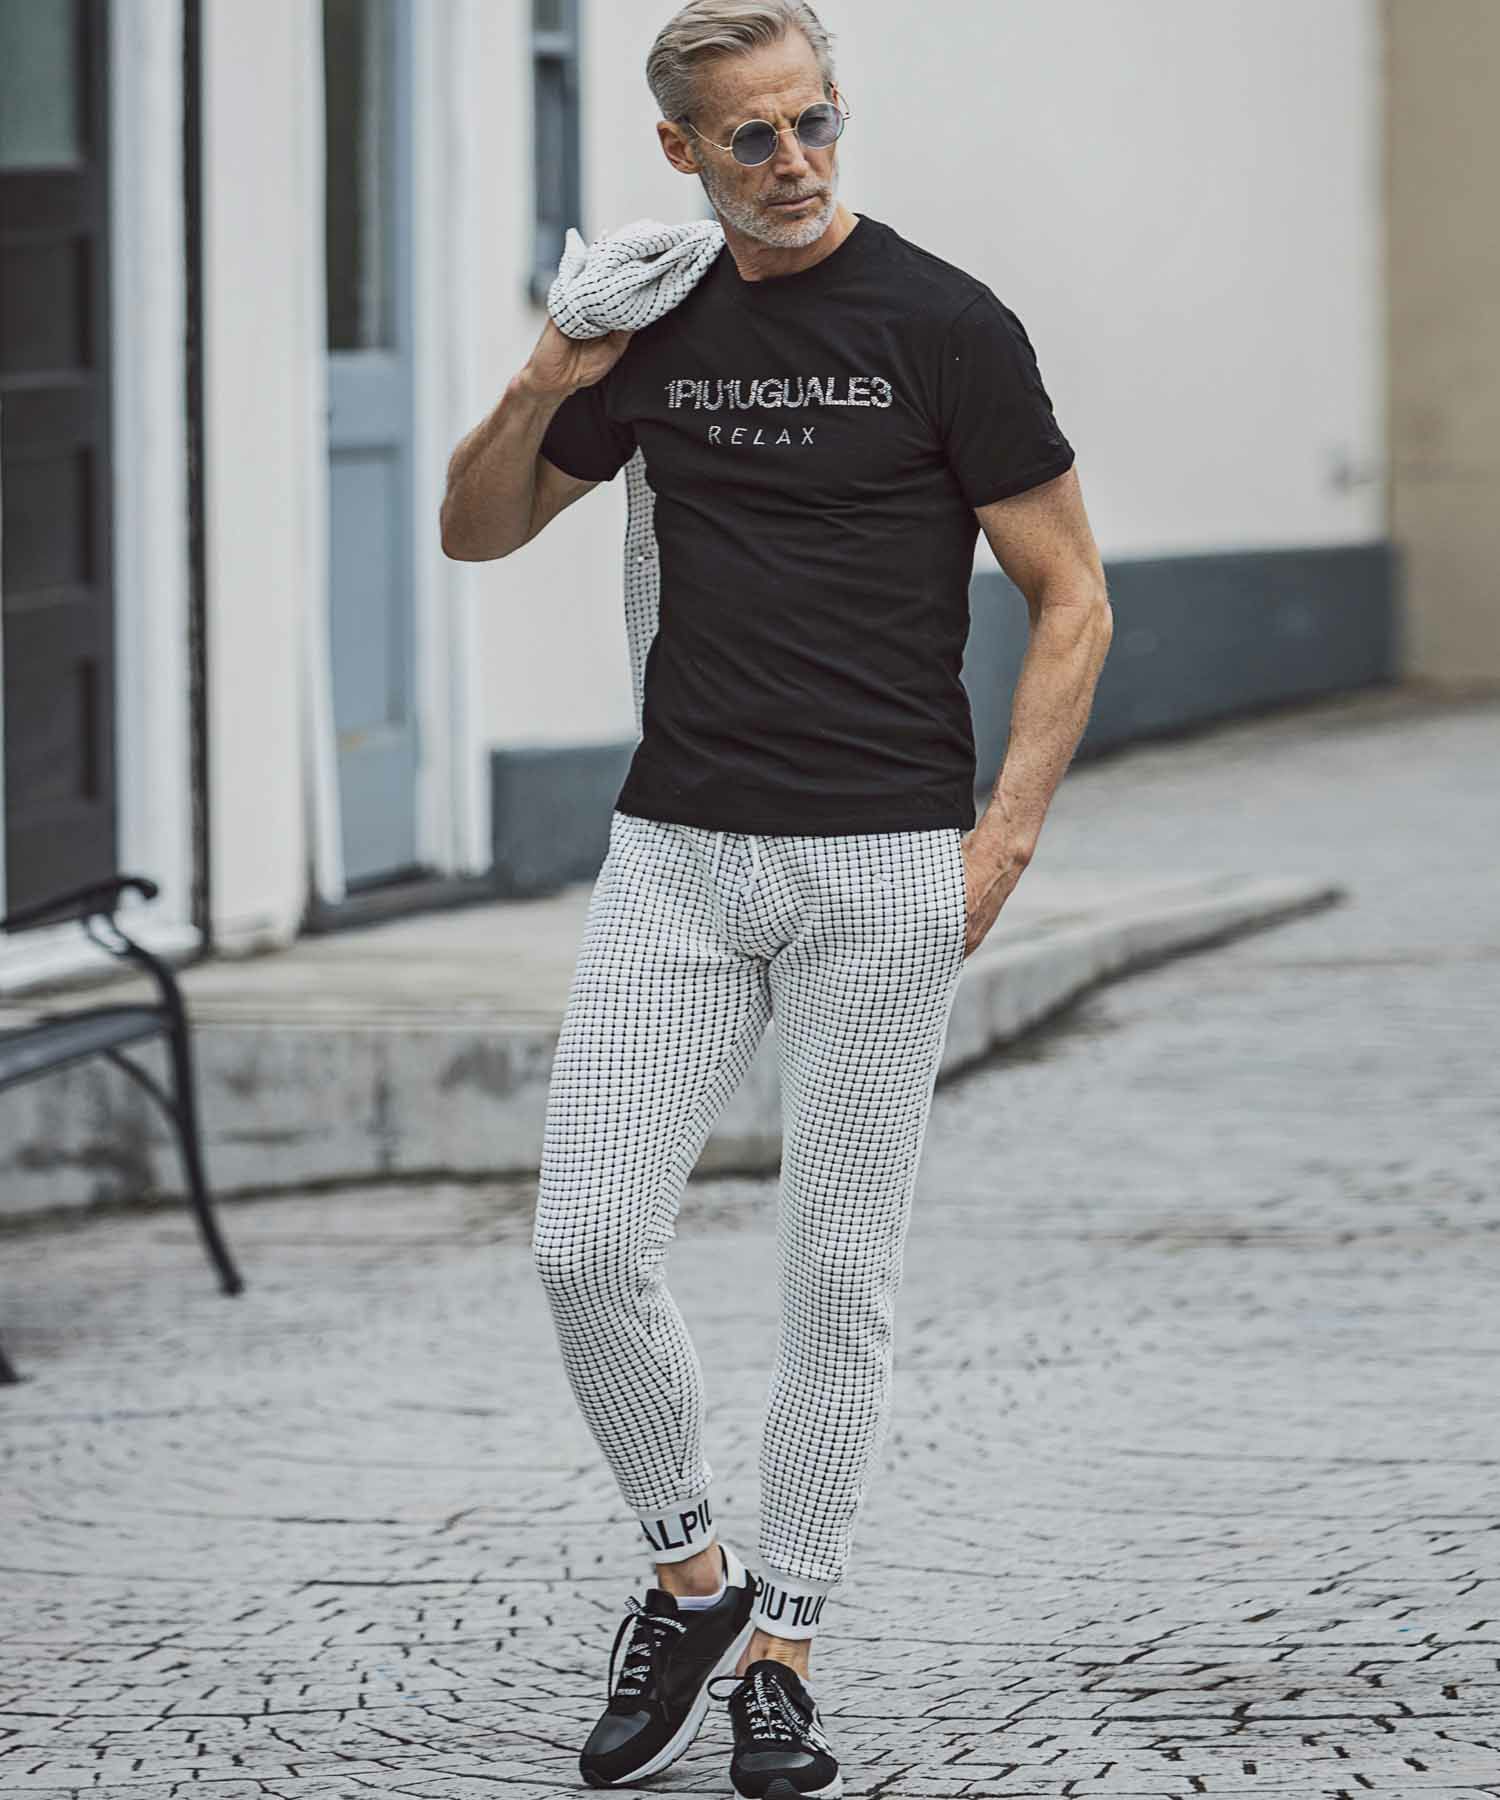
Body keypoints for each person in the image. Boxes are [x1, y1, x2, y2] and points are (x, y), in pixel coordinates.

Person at [439, 3, 1112, 1791]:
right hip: (678, 852)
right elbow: (476, 528)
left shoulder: (946, 324)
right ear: (682, 152)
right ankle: (693, 1579)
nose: (797, 161)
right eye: (754, 136)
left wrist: (1000, 845)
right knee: (584, 1245)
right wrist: (549, 371)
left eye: (817, 121)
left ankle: (786, 1652)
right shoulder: (655, 323)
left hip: (886, 861)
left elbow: (1073, 596)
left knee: (837, 1279)